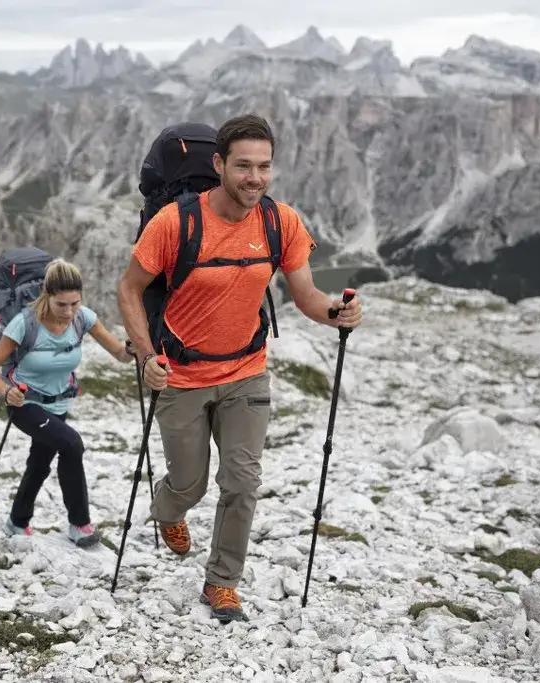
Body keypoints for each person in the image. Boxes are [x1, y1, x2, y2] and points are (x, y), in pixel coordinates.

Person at [116, 113, 364, 622]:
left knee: (242, 482)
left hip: (247, 371)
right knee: (189, 482)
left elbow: (306, 297)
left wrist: (336, 314)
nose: (255, 178)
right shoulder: (175, 223)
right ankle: (169, 511)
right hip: (181, 376)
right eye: (244, 166)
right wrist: (146, 356)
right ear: (219, 164)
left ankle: (222, 582)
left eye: (265, 166)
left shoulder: (281, 222)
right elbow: (129, 290)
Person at [0, 258, 133, 548]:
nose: (69, 311)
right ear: (46, 295)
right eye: (62, 305)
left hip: (60, 405)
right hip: (25, 404)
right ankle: (80, 524)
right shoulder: (24, 324)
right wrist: (6, 392)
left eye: (75, 303)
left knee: (39, 463)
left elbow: (119, 354)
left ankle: (17, 520)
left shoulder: (83, 318)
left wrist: (134, 347)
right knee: (72, 444)